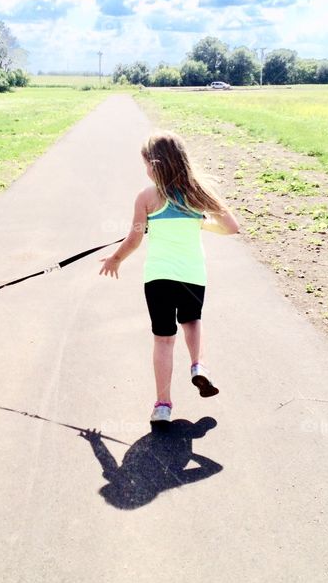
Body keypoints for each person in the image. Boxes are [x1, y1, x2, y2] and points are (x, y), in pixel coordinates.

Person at [99, 131, 240, 424]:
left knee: (163, 341)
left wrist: (115, 259)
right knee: (191, 322)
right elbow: (231, 227)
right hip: (191, 274)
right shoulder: (198, 192)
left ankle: (163, 405)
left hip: (158, 278)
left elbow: (134, 240)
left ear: (156, 164)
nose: (145, 170)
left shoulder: (147, 197)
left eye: (146, 165)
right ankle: (198, 366)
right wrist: (200, 221)